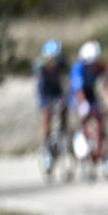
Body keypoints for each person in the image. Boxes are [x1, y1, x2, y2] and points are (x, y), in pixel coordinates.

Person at [70, 40, 108, 166]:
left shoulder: (101, 67)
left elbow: (106, 84)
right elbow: (78, 90)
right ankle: (80, 137)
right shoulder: (78, 69)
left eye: (94, 63)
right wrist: (83, 104)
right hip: (78, 95)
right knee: (83, 116)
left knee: (100, 117)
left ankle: (101, 150)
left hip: (91, 94)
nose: (92, 67)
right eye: (90, 64)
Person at [35, 39, 69, 172]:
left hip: (57, 90)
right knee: (47, 115)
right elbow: (40, 86)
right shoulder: (40, 65)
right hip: (45, 92)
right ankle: (45, 146)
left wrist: (67, 97)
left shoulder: (62, 64)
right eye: (52, 58)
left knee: (64, 109)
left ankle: (62, 132)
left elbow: (68, 80)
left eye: (56, 58)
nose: (54, 61)